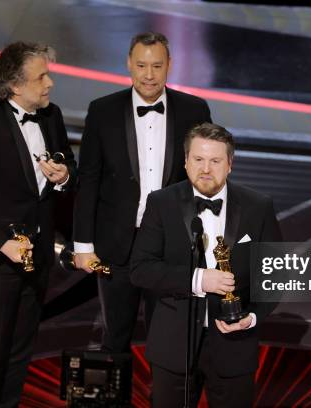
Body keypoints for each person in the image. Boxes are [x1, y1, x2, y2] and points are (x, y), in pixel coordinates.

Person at [0, 41, 76, 407]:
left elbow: (69, 165)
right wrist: (1, 244)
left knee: (22, 349)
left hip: (37, 257)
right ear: (16, 85)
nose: (50, 83)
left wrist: (65, 174)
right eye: (42, 77)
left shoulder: (51, 116)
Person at [72, 32, 211, 353]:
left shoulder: (194, 110)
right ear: (128, 65)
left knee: (168, 339)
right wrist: (82, 245)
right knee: (115, 336)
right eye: (141, 65)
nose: (149, 75)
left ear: (170, 66)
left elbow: (205, 180)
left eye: (157, 66)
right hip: (116, 245)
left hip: (170, 246)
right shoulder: (103, 110)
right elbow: (89, 179)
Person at [131, 123, 281, 407]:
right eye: (198, 159)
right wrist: (199, 279)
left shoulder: (257, 206)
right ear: (186, 162)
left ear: (230, 164)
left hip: (234, 346)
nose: (206, 169)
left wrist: (252, 316)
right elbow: (141, 269)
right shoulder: (161, 203)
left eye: (215, 161)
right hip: (173, 346)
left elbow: (276, 274)